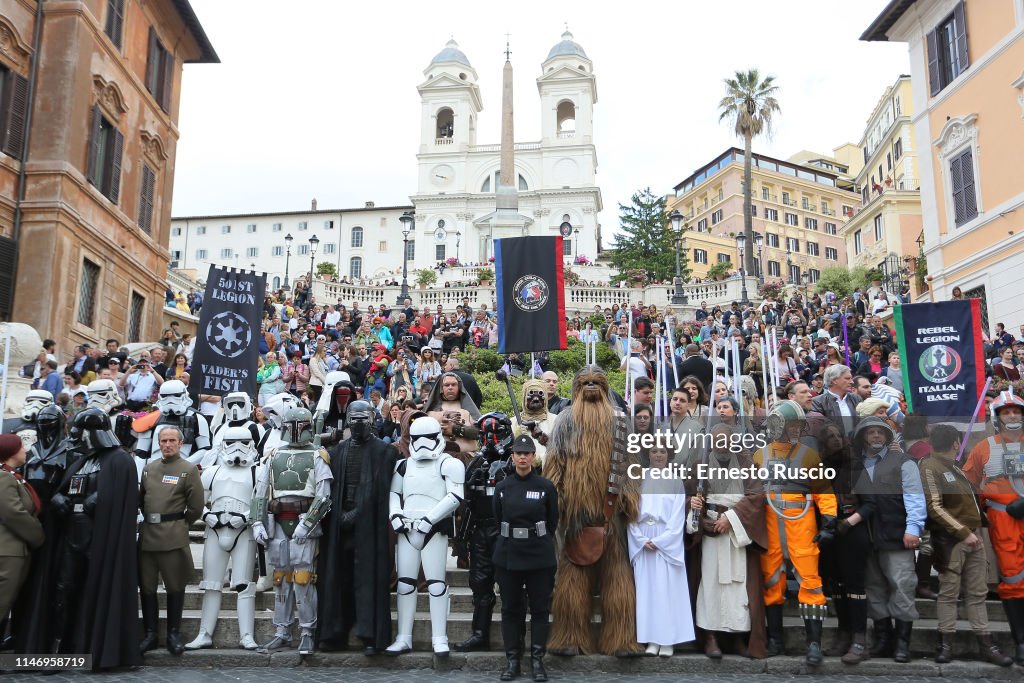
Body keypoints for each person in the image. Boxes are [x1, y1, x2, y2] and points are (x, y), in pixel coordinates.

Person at [544, 366, 643, 657]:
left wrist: (629, 498)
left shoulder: (622, 424)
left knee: (619, 580)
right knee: (572, 580)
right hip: (575, 516)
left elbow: (632, 465)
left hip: (612, 514)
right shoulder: (564, 422)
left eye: (596, 383)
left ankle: (622, 640)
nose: (590, 387)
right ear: (575, 390)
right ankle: (569, 637)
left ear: (606, 388)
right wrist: (557, 503)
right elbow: (554, 466)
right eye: (584, 382)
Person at [50, 408, 140, 670]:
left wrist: (101, 499)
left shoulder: (120, 460)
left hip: (101, 537)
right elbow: (65, 487)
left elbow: (124, 496)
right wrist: (58, 497)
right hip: (73, 535)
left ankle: (95, 650)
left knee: (98, 589)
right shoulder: (81, 461)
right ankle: (61, 649)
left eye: (83, 432)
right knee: (64, 589)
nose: (79, 438)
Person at [919, 424, 1013, 666]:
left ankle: (986, 644)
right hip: (951, 542)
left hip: (972, 537)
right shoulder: (930, 466)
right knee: (949, 593)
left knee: (978, 593)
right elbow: (934, 506)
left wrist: (978, 526)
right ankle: (945, 644)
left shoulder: (955, 468)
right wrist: (963, 532)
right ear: (956, 444)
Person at [754, 400, 836, 665]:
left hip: (802, 526)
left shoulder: (809, 456)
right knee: (771, 582)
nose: (793, 430)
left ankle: (814, 644)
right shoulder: (759, 455)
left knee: (811, 582)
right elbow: (751, 493)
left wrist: (830, 521)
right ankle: (775, 639)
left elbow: (824, 490)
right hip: (770, 526)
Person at [252, 407, 333, 656]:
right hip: (277, 523)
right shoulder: (273, 454)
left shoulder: (318, 455)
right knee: (281, 580)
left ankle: (307, 631)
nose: (296, 430)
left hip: (303, 523)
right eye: (292, 425)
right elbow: (260, 492)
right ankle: (282, 631)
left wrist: (306, 524)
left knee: (303, 579)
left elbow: (324, 496)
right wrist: (257, 522)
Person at [318, 402, 396, 655]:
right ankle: (334, 633)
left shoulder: (385, 452)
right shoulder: (338, 451)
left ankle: (370, 635)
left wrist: (357, 513)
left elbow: (380, 491)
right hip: (339, 524)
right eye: (354, 419)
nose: (358, 423)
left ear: (372, 419)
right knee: (337, 578)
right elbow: (329, 488)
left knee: (369, 579)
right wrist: (339, 513)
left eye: (363, 418)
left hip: (370, 526)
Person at [385, 416, 466, 656]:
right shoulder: (403, 465)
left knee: (436, 584)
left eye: (428, 439)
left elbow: (454, 496)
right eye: (417, 439)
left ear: (438, 438)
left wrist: (430, 519)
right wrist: (396, 515)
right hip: (407, 528)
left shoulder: (448, 463)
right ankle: (403, 637)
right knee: (405, 584)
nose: (422, 445)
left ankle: (439, 638)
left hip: (433, 529)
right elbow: (393, 493)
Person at [688, 423, 767, 659]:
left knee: (738, 587)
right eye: (716, 441)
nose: (721, 445)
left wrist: (731, 518)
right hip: (710, 532)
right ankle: (710, 637)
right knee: (709, 583)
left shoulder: (746, 464)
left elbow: (756, 496)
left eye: (725, 440)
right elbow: (689, 496)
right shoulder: (699, 466)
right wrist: (695, 509)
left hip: (736, 533)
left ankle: (736, 637)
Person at [849, 416, 924, 663]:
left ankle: (903, 643)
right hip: (865, 539)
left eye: (880, 432)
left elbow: (915, 498)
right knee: (874, 589)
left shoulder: (904, 462)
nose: (876, 436)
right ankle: (883, 640)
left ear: (888, 436)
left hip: (896, 535)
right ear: (863, 437)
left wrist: (913, 528)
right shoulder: (854, 465)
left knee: (902, 586)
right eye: (870, 432)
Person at [185, 427, 261, 651]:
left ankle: (246, 635)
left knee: (244, 585)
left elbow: (261, 502)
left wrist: (247, 517)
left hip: (243, 532)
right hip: (215, 530)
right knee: (211, 584)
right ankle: (204, 633)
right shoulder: (212, 472)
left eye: (242, 442)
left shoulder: (257, 472)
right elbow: (198, 501)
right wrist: (207, 515)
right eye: (232, 442)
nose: (237, 447)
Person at [963, 391, 1024, 665]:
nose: (1012, 416)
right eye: (1006, 412)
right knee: (1013, 580)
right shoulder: (983, 448)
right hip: (1004, 522)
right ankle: (1021, 642)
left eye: (1016, 411)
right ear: (997, 417)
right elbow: (967, 486)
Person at [493, 434, 558, 681]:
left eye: (527, 453)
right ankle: (512, 660)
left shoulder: (545, 487)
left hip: (539, 556)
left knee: (540, 609)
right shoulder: (502, 487)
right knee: (510, 608)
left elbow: (552, 521)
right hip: (509, 554)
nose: (522, 457)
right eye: (518, 453)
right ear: (512, 457)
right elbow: (498, 519)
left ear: (533, 457)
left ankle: (537, 660)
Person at [138, 427, 204, 656]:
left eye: (171, 440)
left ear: (180, 443)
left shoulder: (188, 469)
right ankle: (150, 634)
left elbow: (196, 506)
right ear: (158, 443)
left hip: (173, 535)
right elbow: (141, 500)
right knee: (147, 588)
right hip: (148, 536)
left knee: (175, 586)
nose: (167, 445)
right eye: (163, 441)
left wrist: (181, 525)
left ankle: (174, 633)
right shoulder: (149, 469)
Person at [454, 413, 515, 654]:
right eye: (486, 434)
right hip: (480, 530)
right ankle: (479, 634)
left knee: (510, 588)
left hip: (506, 531)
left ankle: (514, 640)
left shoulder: (515, 460)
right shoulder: (477, 463)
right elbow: (467, 503)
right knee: (480, 586)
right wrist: (461, 539)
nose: (490, 439)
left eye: (495, 433)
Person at [629, 443, 693, 658]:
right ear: (648, 454)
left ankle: (667, 640)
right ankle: (651, 639)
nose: (658, 455)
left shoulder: (675, 481)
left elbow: (677, 515)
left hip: (665, 539)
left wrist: (663, 540)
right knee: (647, 592)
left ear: (669, 455)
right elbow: (630, 511)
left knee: (666, 592)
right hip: (644, 538)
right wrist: (640, 538)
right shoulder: (639, 478)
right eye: (654, 451)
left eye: (663, 451)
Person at [0, 434, 44, 633]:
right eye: (21, 447)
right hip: (7, 552)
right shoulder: (4, 477)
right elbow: (13, 513)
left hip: (14, 550)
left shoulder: (12, 476)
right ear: (11, 452)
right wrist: (38, 536)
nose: (25, 451)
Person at [511, 379, 556, 464]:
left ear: (545, 398)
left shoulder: (556, 421)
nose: (535, 398)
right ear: (524, 397)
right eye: (531, 394)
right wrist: (515, 437)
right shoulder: (513, 423)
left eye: (540, 394)